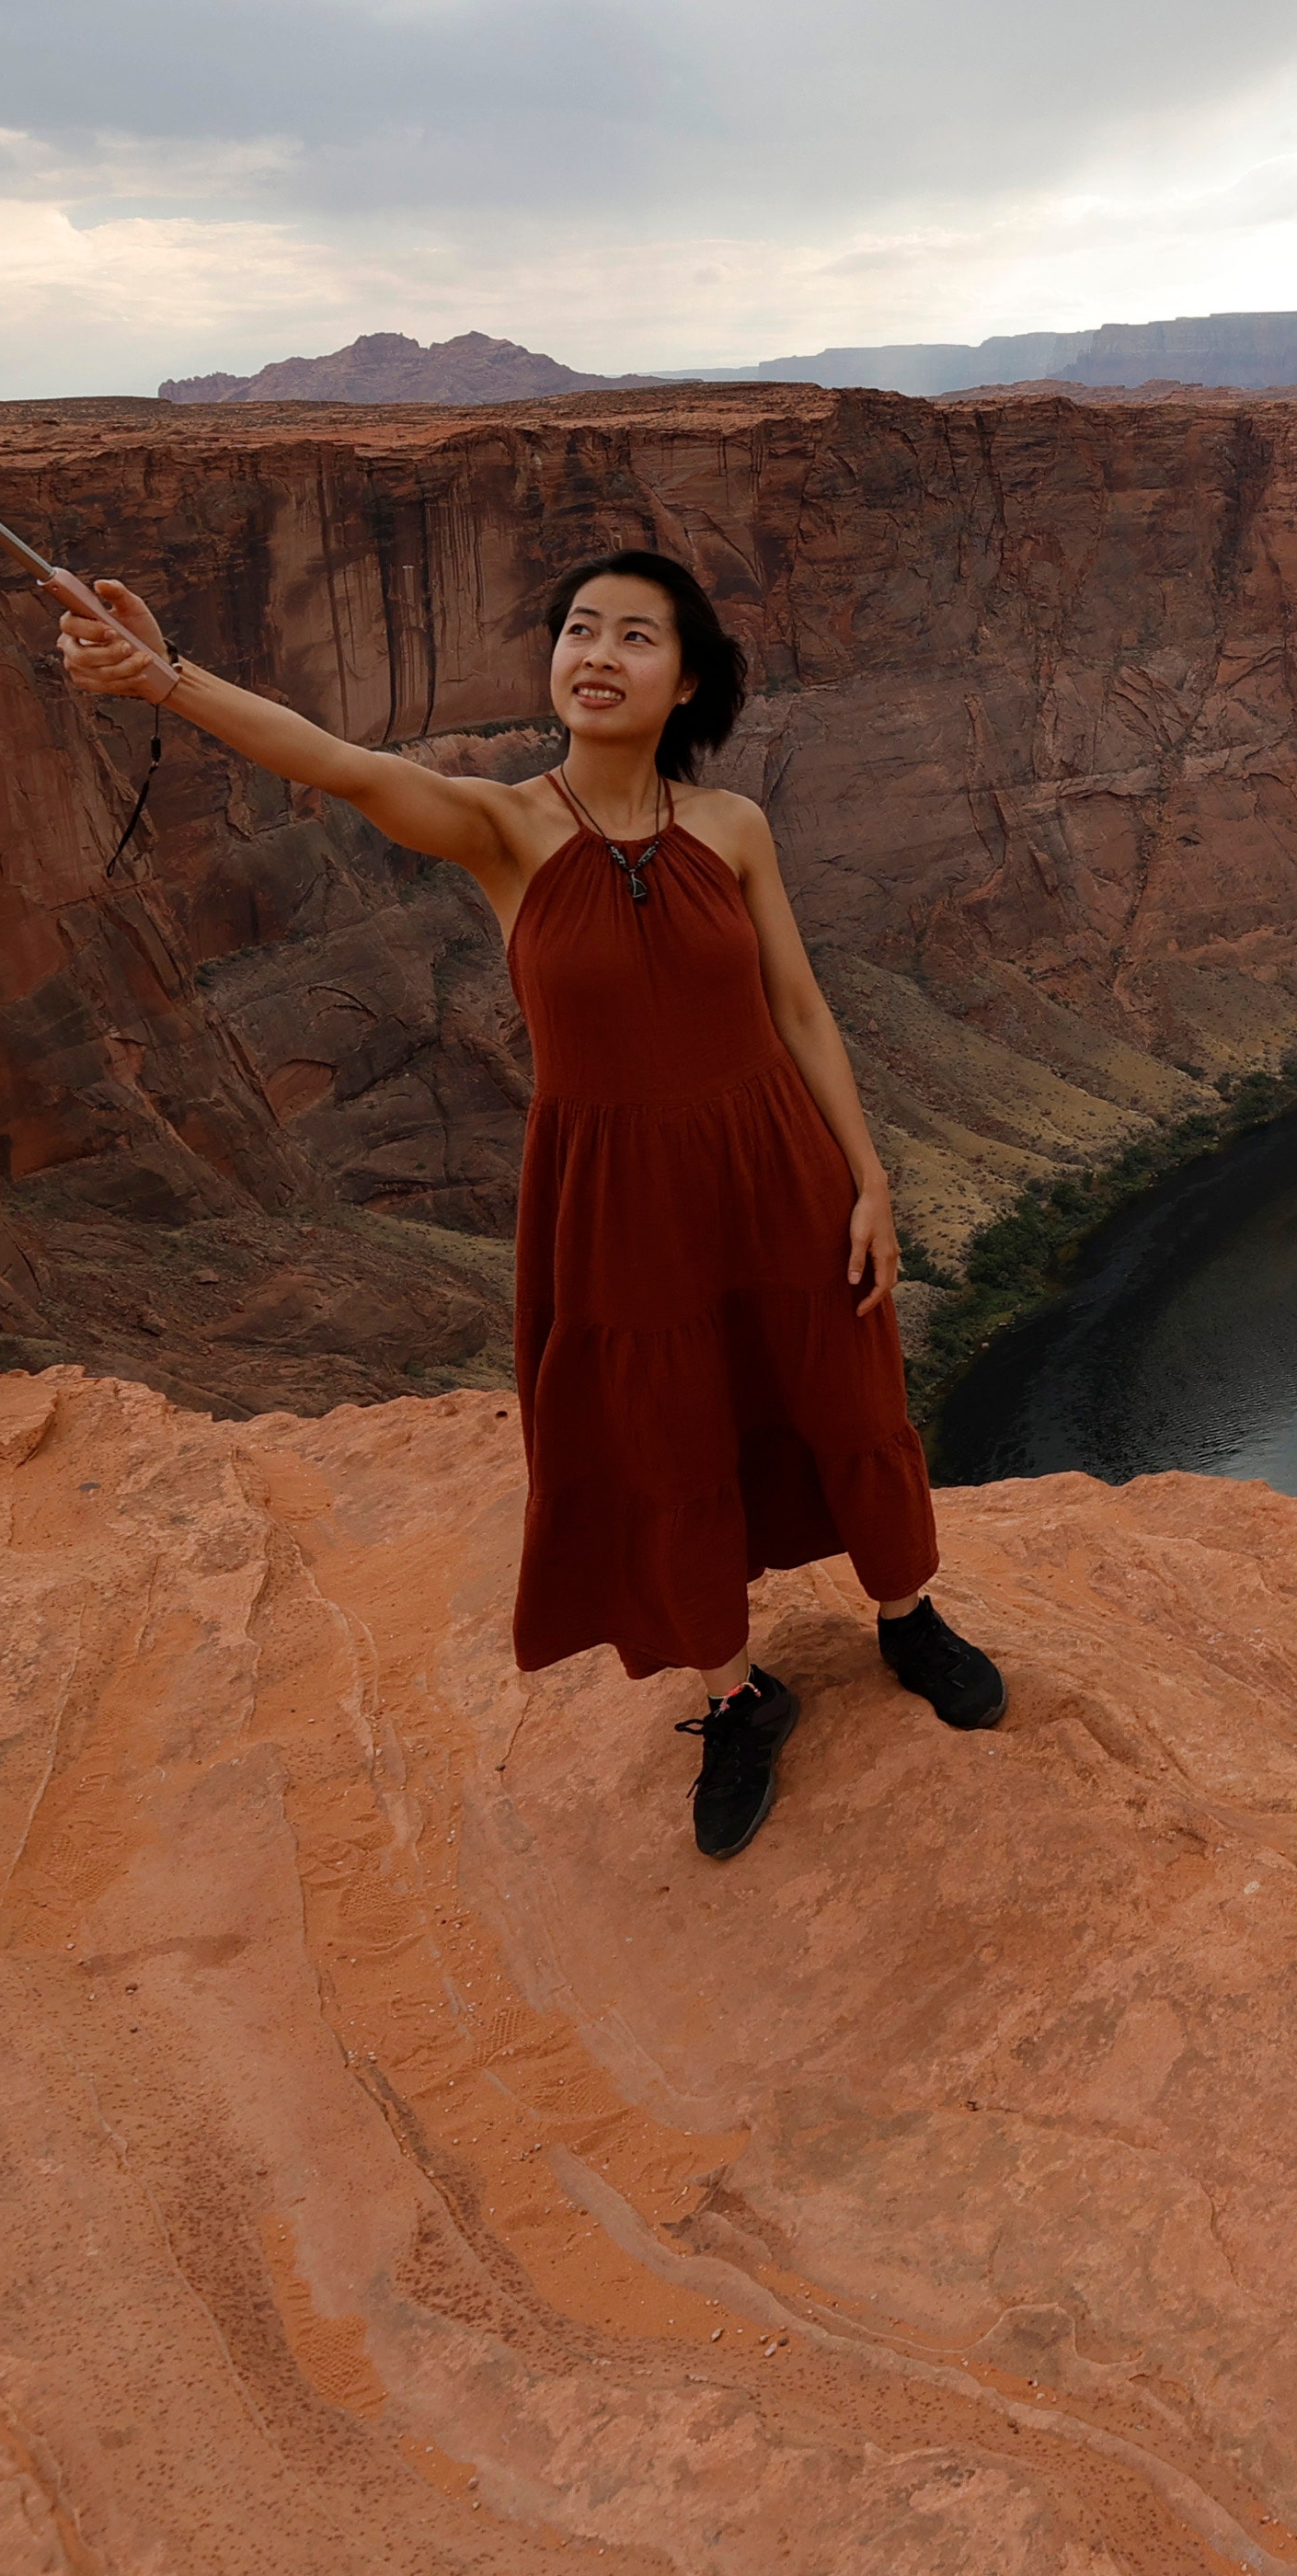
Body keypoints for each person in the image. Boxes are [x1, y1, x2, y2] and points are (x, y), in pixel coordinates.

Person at [54, 544, 1005, 1860]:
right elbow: (337, 764)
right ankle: (736, 1694)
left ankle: (908, 1615)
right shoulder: (505, 829)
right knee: (667, 1435)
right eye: (579, 630)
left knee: (841, 1389)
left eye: (635, 637)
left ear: (686, 684)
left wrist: (871, 1179)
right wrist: (165, 683)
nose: (598, 655)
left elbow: (798, 1006)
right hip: (616, 1196)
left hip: (774, 1161)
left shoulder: (733, 829)